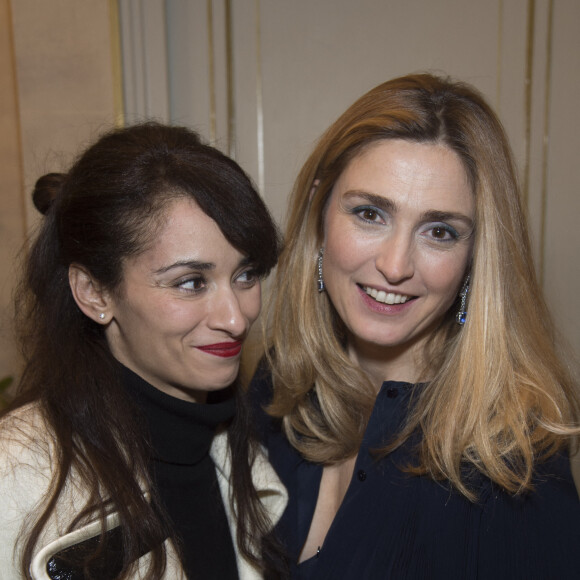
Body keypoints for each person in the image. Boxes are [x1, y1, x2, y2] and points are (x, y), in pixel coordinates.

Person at [251, 73, 580, 579]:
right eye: (369, 213)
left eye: (440, 231)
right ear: (320, 212)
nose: (396, 264)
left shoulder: (516, 460)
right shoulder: (279, 386)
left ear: (476, 257)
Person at [0, 123, 288, 580]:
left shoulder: (243, 457)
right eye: (191, 282)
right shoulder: (15, 476)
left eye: (246, 275)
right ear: (95, 293)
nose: (236, 318)